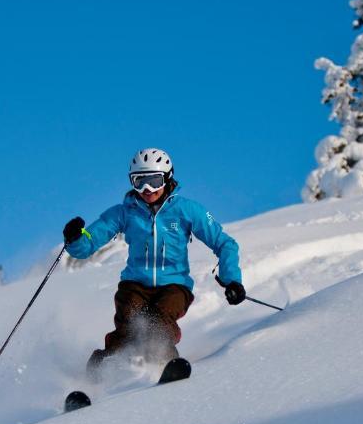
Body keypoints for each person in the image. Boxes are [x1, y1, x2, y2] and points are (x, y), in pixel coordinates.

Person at [63, 148, 246, 378]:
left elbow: (225, 243)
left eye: (154, 181)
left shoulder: (186, 210)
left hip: (174, 285)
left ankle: (163, 362)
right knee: (130, 323)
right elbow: (88, 243)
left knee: (158, 321)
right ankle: (104, 369)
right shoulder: (125, 213)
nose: (147, 189)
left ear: (167, 178)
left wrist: (232, 280)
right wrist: (75, 239)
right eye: (140, 182)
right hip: (135, 284)